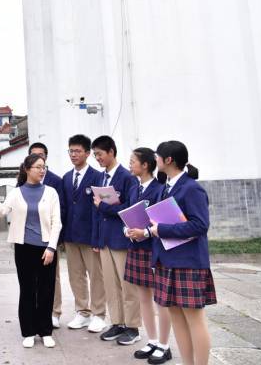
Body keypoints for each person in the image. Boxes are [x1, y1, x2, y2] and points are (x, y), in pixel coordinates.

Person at [0, 153, 62, 349]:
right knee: (27, 290)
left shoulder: (51, 192)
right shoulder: (16, 193)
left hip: (46, 249)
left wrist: (51, 247)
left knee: (46, 290)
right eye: (38, 167)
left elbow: (56, 223)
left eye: (44, 167)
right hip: (24, 248)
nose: (42, 170)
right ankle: (28, 331)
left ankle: (45, 331)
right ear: (27, 170)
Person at [149, 141, 216, 365]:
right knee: (177, 318)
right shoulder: (166, 186)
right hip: (167, 260)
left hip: (188, 262)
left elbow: (200, 225)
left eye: (157, 156)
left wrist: (162, 229)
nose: (154, 160)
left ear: (169, 160)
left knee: (194, 319)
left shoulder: (191, 188)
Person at [91, 135, 142, 345]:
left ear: (111, 151)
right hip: (105, 240)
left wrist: (104, 206)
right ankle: (117, 322)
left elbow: (129, 209)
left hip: (121, 239)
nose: (98, 159)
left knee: (127, 284)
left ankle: (132, 326)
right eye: (95, 155)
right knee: (110, 284)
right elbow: (97, 213)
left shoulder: (127, 177)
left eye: (100, 154)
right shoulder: (102, 178)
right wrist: (96, 239)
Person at [124, 148, 172, 363]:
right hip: (136, 248)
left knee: (160, 300)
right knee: (143, 296)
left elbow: (162, 220)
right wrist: (126, 230)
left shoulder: (159, 189)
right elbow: (126, 214)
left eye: (133, 161)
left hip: (153, 249)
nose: (130, 164)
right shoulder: (135, 188)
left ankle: (164, 344)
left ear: (145, 165)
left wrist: (144, 232)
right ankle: (152, 340)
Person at [60, 134, 107, 334]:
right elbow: (64, 208)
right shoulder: (65, 178)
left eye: (77, 151)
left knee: (96, 276)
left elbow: (101, 210)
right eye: (71, 151)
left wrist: (98, 237)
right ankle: (82, 311)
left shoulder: (99, 177)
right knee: (75, 276)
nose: (73, 154)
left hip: (90, 236)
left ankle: (99, 314)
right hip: (71, 236)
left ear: (87, 153)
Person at [28, 141, 65, 329]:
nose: (39, 158)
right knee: (31, 277)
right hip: (29, 239)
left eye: (41, 155)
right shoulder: (23, 180)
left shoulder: (56, 181)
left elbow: (60, 212)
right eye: (34, 155)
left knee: (53, 277)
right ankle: (35, 311)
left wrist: (56, 240)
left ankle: (54, 311)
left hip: (49, 238)